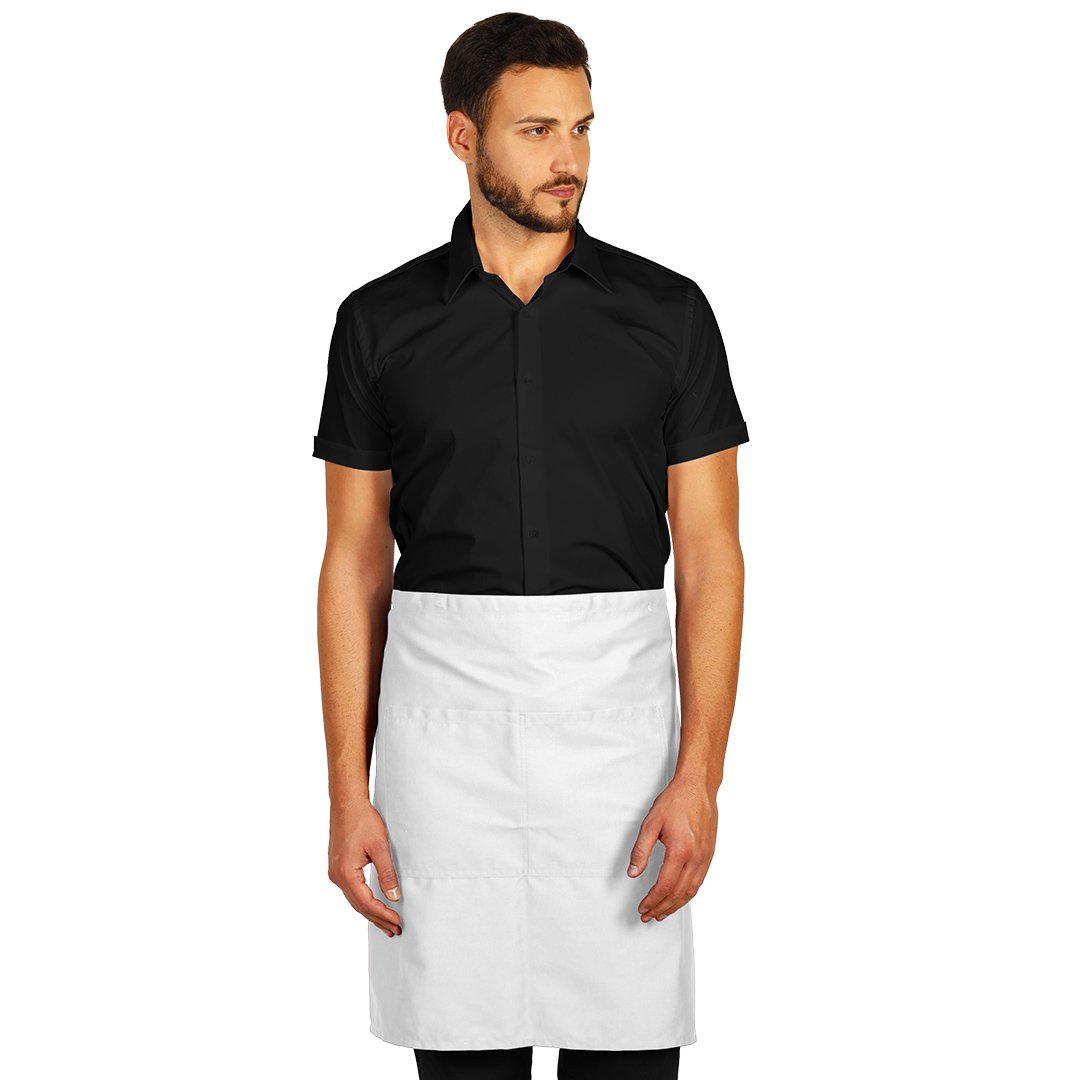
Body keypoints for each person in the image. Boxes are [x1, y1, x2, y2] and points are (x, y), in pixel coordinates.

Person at [312, 13, 748, 1080]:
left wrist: (701, 778)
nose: (569, 159)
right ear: (462, 137)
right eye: (537, 130)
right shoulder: (379, 322)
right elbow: (355, 563)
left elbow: (710, 555)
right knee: (464, 1059)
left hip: (619, 750)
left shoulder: (669, 314)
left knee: (627, 1057)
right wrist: (347, 792)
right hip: (442, 753)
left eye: (583, 129)